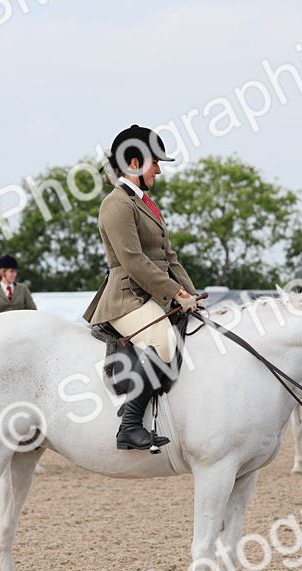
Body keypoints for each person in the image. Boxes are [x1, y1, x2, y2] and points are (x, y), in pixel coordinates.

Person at [83, 124, 202, 451]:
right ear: (134, 163)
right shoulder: (116, 204)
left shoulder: (145, 203)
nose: (160, 170)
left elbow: (169, 257)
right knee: (162, 340)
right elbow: (134, 261)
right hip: (125, 298)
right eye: (155, 163)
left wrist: (192, 294)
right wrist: (176, 294)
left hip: (150, 294)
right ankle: (130, 426)